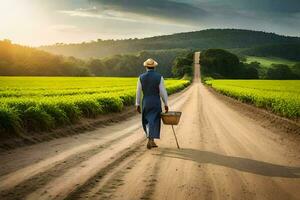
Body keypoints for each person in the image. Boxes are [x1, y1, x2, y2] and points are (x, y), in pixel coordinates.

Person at [136, 58, 169, 149]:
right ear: (154, 67)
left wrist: (137, 104)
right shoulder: (159, 77)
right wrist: (166, 103)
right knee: (155, 120)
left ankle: (151, 139)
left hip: (146, 101)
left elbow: (138, 91)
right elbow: (163, 92)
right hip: (155, 101)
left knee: (146, 120)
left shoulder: (141, 77)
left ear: (146, 67)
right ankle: (151, 140)